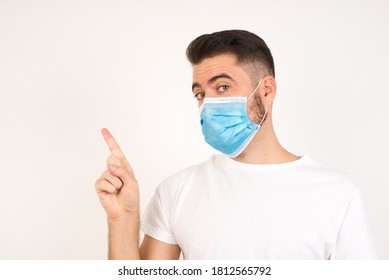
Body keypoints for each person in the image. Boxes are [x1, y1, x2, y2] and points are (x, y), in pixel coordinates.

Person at [95, 30, 376, 260]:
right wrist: (122, 219)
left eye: (223, 88)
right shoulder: (178, 190)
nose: (208, 104)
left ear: (266, 91)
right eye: (200, 94)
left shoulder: (336, 194)